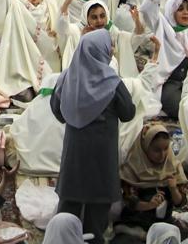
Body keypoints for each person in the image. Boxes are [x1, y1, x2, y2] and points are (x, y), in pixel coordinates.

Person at [50, 30, 135, 243]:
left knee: (68, 203)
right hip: (102, 155)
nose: (112, 49)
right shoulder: (112, 82)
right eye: (110, 46)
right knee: (98, 206)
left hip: (74, 153)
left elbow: (57, 111)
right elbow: (128, 112)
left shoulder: (66, 78)